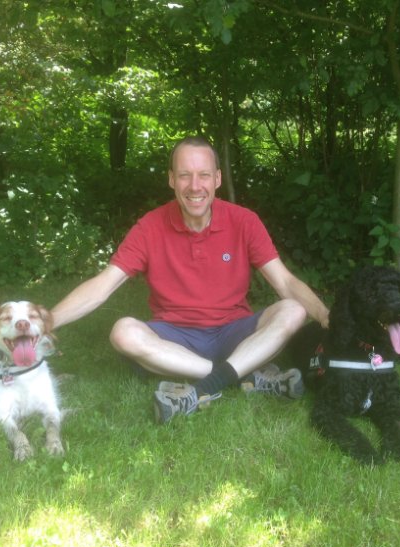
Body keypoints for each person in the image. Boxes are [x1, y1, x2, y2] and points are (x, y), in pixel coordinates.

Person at [50, 136, 329, 423]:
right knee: (123, 333)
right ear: (172, 179)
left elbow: (285, 282)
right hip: (176, 338)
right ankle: (237, 374)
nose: (195, 186)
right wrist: (47, 321)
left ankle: (210, 380)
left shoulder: (244, 221)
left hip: (234, 332)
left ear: (217, 179)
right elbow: (103, 285)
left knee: (293, 310)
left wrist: (325, 316)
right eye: (185, 175)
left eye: (203, 175)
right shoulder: (149, 227)